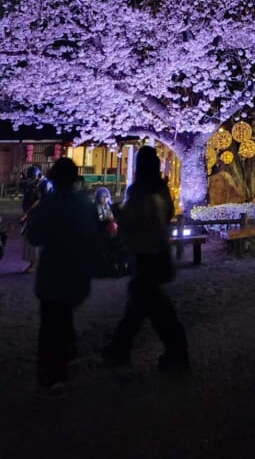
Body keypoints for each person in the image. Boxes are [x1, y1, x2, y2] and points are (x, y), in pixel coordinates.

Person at [102, 145, 189, 371]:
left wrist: (118, 212)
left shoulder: (138, 191)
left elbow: (132, 221)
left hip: (144, 254)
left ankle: (122, 350)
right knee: (147, 307)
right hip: (159, 251)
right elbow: (168, 215)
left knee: (147, 307)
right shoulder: (162, 189)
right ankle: (122, 349)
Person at [27, 157, 100, 398]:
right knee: (64, 314)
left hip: (54, 270)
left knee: (50, 324)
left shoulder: (51, 204)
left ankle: (53, 376)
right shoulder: (85, 204)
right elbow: (94, 235)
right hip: (77, 270)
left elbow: (35, 236)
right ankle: (69, 355)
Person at [20, 166, 52, 273]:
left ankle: (36, 263)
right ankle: (34, 262)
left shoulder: (45, 184)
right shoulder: (32, 184)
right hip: (31, 216)